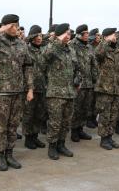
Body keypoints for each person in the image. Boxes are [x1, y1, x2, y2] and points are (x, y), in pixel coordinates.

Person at [0, 14, 34, 171]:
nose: (15, 28)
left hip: (17, 91)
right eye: (11, 25)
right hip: (0, 91)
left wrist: (30, 88)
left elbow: (28, 66)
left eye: (16, 25)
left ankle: (10, 154)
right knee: (1, 126)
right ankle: (0, 155)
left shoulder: (21, 44)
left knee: (13, 126)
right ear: (4, 26)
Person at [43, 23, 80, 160]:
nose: (69, 36)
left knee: (66, 122)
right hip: (55, 93)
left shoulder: (70, 49)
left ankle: (61, 144)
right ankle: (52, 147)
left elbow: (77, 67)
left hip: (70, 92)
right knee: (55, 122)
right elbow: (44, 58)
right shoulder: (51, 47)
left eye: (70, 34)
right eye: (67, 33)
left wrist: (78, 79)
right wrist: (57, 40)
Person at [95, 28, 119, 150]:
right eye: (113, 35)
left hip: (116, 89)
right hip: (104, 89)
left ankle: (110, 136)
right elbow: (98, 54)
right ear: (106, 37)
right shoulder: (103, 50)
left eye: (116, 35)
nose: (115, 37)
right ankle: (104, 139)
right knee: (105, 115)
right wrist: (106, 41)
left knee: (114, 115)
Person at [69, 24, 96, 143]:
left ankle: (80, 129)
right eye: (85, 33)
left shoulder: (89, 47)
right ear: (79, 34)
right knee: (76, 108)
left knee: (85, 108)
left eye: (88, 33)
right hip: (77, 83)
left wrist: (95, 78)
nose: (87, 35)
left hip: (88, 82)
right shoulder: (72, 45)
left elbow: (93, 64)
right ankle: (74, 130)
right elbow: (70, 64)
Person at [23, 25, 46, 150]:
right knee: (29, 114)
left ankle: (35, 136)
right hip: (29, 88)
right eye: (37, 36)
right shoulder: (26, 50)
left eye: (40, 35)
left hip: (42, 86)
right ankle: (28, 138)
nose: (39, 38)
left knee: (39, 113)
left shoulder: (43, 50)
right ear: (32, 37)